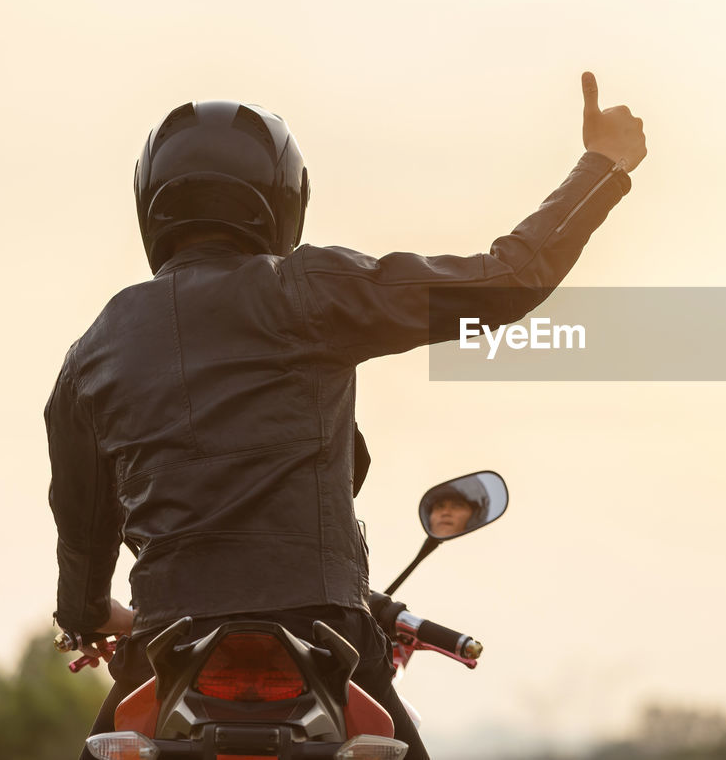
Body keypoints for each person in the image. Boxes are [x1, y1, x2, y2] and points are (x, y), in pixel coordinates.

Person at [46, 72, 645, 760]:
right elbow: (506, 282)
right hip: (328, 633)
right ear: (284, 197)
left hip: (168, 637)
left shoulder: (93, 352)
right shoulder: (309, 291)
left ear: (151, 202)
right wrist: (604, 165)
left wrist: (90, 616)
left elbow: (84, 533)